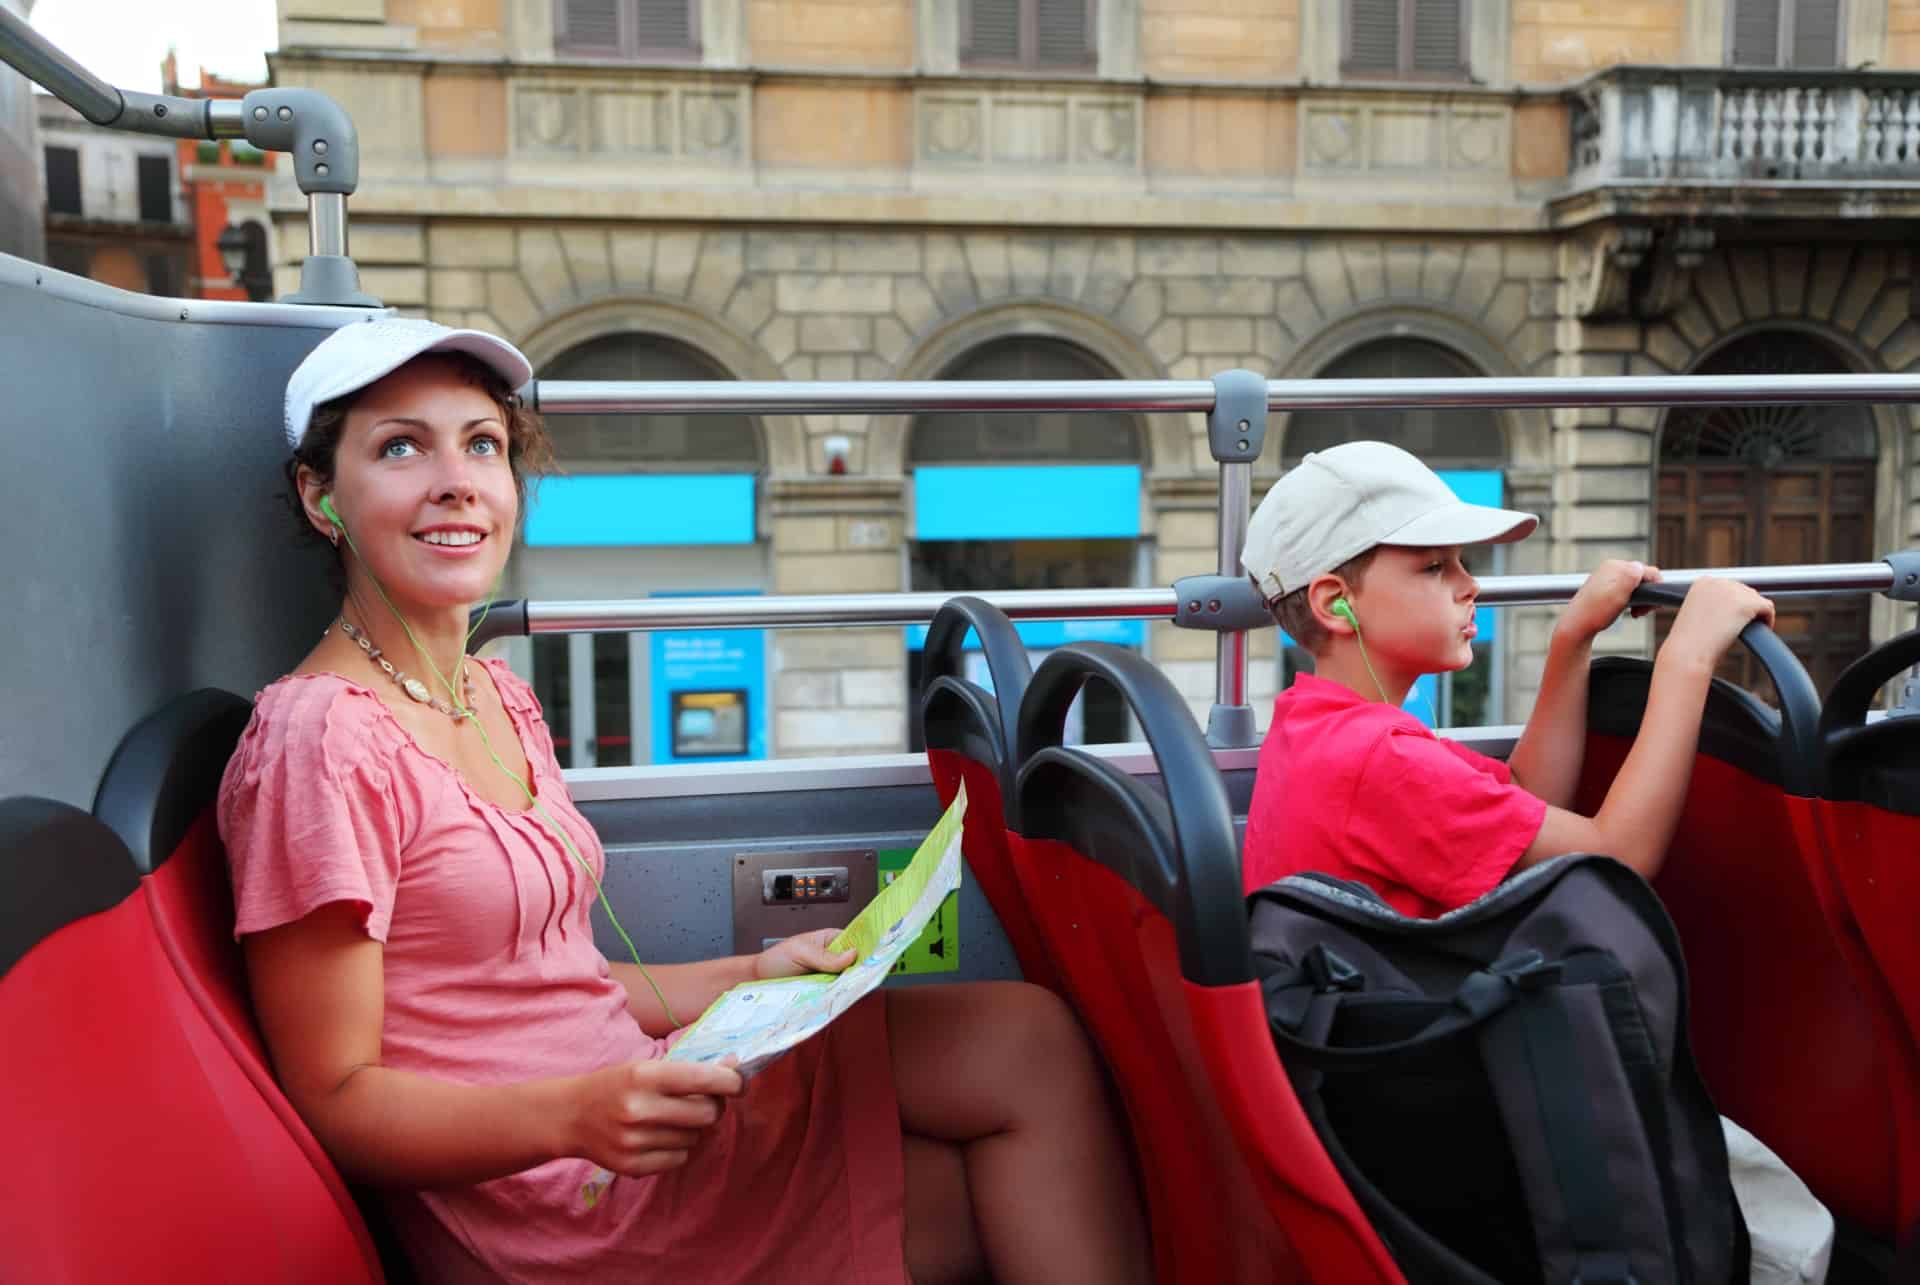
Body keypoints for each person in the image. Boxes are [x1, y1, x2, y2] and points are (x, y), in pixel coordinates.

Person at [218, 318, 1150, 1285]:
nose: (456, 479)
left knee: (1026, 1038)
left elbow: (542, 987)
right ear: (321, 496)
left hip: (637, 1107)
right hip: (562, 1192)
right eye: (400, 446)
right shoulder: (318, 742)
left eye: (482, 443)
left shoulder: (496, 692)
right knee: (994, 1178)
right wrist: (577, 1113)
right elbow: (334, 1096)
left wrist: (753, 969)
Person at [1238, 439, 1832, 1284]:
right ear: (1340, 603)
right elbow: (1617, 861)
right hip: (1442, 1112)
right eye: (1436, 566)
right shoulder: (1381, 760)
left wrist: (1571, 641)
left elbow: (1518, 809)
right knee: (1786, 1228)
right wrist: (1689, 657)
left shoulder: (1326, 728)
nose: (1468, 585)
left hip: (1393, 1080)